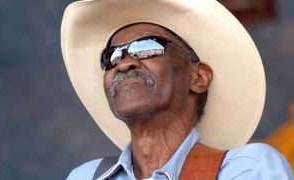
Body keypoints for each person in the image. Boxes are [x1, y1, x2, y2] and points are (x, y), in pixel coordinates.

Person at [61, 0, 294, 179]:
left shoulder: (247, 169)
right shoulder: (86, 176)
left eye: (146, 47)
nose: (123, 64)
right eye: (111, 56)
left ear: (198, 77)